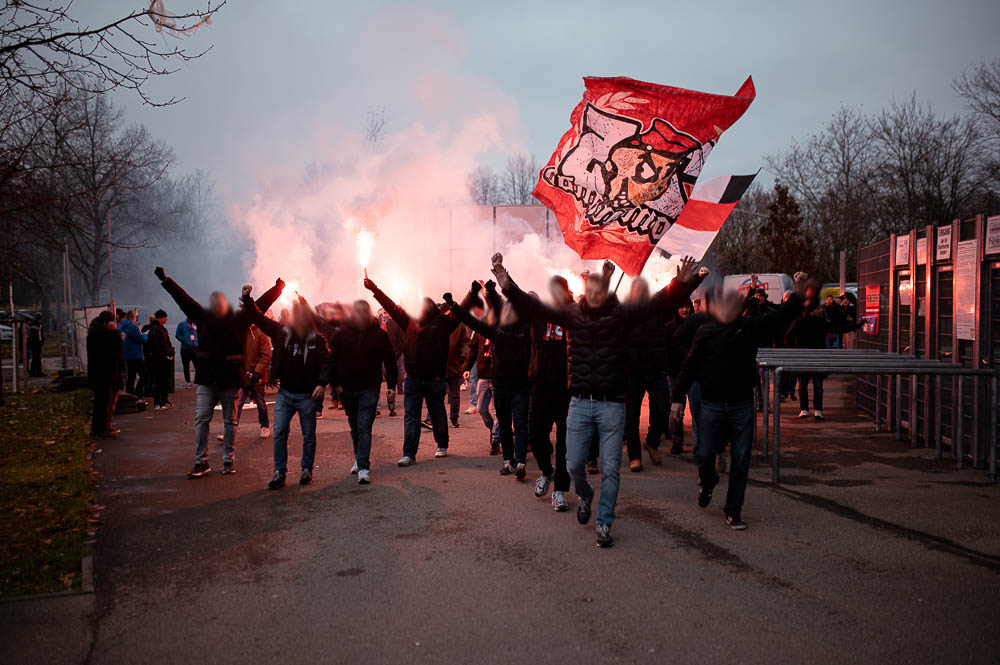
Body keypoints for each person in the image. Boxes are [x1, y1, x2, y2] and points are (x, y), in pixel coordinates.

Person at [494, 253, 702, 548]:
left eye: (598, 290)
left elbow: (659, 304)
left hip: (613, 405)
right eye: (588, 290)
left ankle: (603, 522)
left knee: (611, 470)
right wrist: (506, 285)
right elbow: (533, 306)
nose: (592, 295)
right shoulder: (571, 315)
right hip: (579, 402)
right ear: (583, 293)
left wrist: (682, 284)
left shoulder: (622, 315)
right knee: (575, 464)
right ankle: (585, 493)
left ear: (605, 291)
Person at [670, 274, 808, 531]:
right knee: (705, 454)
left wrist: (798, 293)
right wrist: (676, 400)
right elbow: (688, 368)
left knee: (741, 459)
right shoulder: (705, 332)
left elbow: (781, 316)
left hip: (741, 405)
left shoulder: (749, 328)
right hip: (711, 404)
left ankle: (733, 510)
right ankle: (708, 482)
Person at [155, 266, 284, 478]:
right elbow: (182, 298)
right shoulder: (208, 316)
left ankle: (224, 460)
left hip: (224, 378)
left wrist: (277, 290)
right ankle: (206, 462)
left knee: (224, 421)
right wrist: (165, 280)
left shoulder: (229, 318)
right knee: (208, 420)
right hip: (217, 378)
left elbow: (260, 305)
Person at [366, 277, 467, 464]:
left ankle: (441, 445)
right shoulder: (408, 321)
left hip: (434, 379)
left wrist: (470, 295)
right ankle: (409, 454)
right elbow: (391, 305)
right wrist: (374, 289)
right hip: (413, 378)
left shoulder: (442, 324)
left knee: (437, 413)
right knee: (411, 416)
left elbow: (460, 313)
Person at [241, 288, 331, 489]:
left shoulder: (316, 339)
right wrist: (247, 299)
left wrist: (321, 384)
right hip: (286, 394)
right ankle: (279, 472)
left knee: (308, 434)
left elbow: (327, 363)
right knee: (280, 432)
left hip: (307, 395)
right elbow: (258, 317)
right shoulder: (282, 333)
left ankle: (306, 470)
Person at [448, 281, 532, 478]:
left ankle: (518, 462)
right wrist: (455, 307)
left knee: (518, 425)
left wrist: (494, 293)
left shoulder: (526, 330)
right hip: (503, 386)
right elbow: (472, 322)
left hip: (519, 386)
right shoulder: (497, 331)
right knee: (507, 425)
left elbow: (502, 306)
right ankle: (510, 461)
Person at [330, 300, 398, 484]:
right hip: (347, 388)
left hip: (369, 387)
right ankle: (359, 458)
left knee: (364, 426)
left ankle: (364, 468)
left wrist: (391, 386)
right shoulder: (342, 333)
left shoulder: (379, 335)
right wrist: (335, 385)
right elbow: (332, 360)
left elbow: (390, 361)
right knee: (355, 426)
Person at [522, 275, 573, 510]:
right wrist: (503, 284)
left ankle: (560, 490)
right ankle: (546, 471)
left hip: (566, 390)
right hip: (541, 386)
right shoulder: (539, 314)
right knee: (536, 436)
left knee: (564, 444)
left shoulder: (573, 314)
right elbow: (519, 299)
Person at [623, 277, 675, 472]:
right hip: (633, 372)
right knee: (632, 417)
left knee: (662, 411)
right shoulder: (626, 312)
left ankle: (652, 442)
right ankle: (634, 456)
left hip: (657, 370)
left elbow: (676, 296)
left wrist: (691, 280)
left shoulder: (658, 309)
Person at [667, 296, 711, 455]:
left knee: (697, 410)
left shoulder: (696, 324)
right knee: (676, 411)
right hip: (675, 374)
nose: (685, 310)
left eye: (687, 307)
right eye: (681, 307)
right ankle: (677, 441)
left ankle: (698, 444)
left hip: (693, 375)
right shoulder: (670, 327)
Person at [464, 296, 502, 456]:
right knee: (481, 409)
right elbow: (472, 351)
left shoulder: (501, 329)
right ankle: (495, 429)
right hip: (483, 376)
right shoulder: (478, 331)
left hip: (499, 377)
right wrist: (466, 367)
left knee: (498, 411)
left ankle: (495, 439)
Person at [230, 323, 273, 438]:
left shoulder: (260, 333)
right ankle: (231, 430)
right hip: (243, 374)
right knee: (238, 403)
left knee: (260, 403)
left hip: (256, 376)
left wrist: (257, 372)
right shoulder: (241, 331)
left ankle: (265, 427)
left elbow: (266, 355)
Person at [87, 311, 123, 438]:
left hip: (100, 373)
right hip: (104, 374)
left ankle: (99, 428)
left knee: (101, 403)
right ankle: (101, 429)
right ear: (107, 322)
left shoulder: (94, 332)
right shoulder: (101, 334)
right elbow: (115, 347)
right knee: (103, 403)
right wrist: (114, 332)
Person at [143, 310, 175, 409]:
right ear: (160, 318)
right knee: (161, 381)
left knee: (160, 381)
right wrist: (166, 355)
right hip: (161, 359)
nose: (167, 319)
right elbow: (157, 345)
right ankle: (161, 402)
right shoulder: (157, 329)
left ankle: (161, 401)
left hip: (161, 358)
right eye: (165, 317)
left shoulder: (157, 328)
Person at [377, 307, 405, 416]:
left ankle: (391, 406)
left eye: (386, 311)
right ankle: (377, 408)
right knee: (378, 380)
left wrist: (396, 355)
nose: (385, 313)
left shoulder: (395, 323)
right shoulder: (376, 323)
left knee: (392, 380)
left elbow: (401, 340)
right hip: (380, 356)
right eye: (383, 311)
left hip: (392, 356)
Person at [118, 310, 147, 396]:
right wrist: (145, 335)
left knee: (131, 377)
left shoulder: (121, 327)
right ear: (133, 317)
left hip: (127, 355)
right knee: (144, 375)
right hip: (136, 355)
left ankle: (129, 395)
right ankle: (137, 394)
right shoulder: (133, 327)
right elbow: (140, 340)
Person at [446, 321, 468, 428]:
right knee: (439, 394)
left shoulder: (460, 326)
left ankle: (454, 417)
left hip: (452, 364)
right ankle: (431, 418)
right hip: (447, 364)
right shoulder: (460, 326)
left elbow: (466, 343)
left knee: (453, 394)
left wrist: (463, 357)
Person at [175, 316, 198, 389]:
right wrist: (185, 340)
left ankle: (198, 381)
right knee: (186, 366)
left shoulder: (196, 324)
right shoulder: (181, 324)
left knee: (198, 366)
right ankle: (188, 382)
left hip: (195, 349)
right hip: (185, 349)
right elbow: (177, 335)